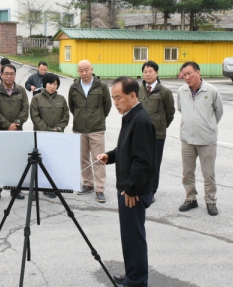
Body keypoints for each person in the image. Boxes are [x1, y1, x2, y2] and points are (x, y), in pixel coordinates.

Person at [97, 76, 155, 287]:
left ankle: (137, 281)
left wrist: (130, 189)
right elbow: (126, 149)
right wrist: (110, 156)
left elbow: (143, 162)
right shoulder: (130, 116)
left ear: (132, 95)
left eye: (118, 98)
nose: (115, 103)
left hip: (133, 192)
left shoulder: (141, 120)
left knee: (134, 237)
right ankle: (133, 274)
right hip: (128, 188)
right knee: (129, 237)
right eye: (113, 98)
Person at [177, 61, 223, 216]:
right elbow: (180, 109)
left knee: (208, 173)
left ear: (198, 72)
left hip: (206, 141)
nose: (187, 77)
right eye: (184, 74)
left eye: (190, 73)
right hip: (187, 140)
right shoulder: (181, 91)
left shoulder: (211, 91)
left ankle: (211, 201)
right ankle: (191, 198)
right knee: (187, 173)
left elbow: (218, 112)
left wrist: (208, 126)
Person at [68, 59, 112, 203]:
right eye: (81, 70)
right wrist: (81, 118)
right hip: (80, 128)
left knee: (98, 159)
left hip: (96, 128)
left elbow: (107, 106)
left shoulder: (101, 86)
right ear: (78, 72)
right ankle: (88, 184)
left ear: (92, 69)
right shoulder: (74, 87)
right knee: (84, 158)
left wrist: (98, 118)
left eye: (87, 70)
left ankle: (100, 189)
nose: (84, 73)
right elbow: (72, 106)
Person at [0, 63, 29, 202]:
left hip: (17, 132)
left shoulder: (21, 90)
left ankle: (15, 189)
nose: (9, 76)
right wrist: (7, 125)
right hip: (0, 132)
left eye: (12, 73)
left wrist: (16, 124)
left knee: (16, 161)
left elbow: (25, 110)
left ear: (15, 75)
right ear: (1, 74)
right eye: (6, 73)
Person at [138, 60, 175, 201]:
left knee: (154, 163)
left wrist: (161, 125)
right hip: (140, 133)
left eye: (150, 72)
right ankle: (141, 187)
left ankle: (151, 191)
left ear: (157, 73)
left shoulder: (165, 91)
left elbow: (170, 113)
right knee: (140, 161)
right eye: (145, 72)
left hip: (157, 134)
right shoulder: (138, 89)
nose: (147, 74)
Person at [30, 72, 69, 198]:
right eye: (50, 84)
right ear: (44, 84)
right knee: (39, 162)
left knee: (54, 162)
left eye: (55, 84)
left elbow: (65, 116)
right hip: (41, 136)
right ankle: (36, 188)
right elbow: (35, 117)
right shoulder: (37, 99)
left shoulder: (61, 99)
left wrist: (58, 128)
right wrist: (47, 130)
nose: (52, 86)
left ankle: (51, 187)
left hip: (57, 136)